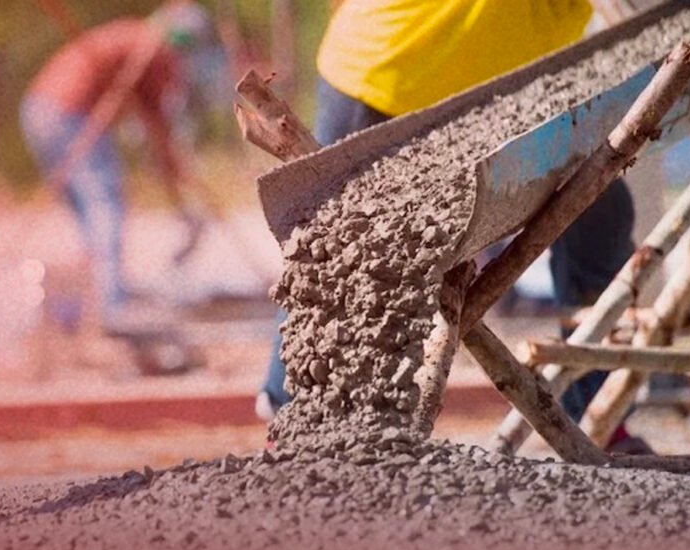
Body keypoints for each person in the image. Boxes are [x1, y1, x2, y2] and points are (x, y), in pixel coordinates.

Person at [257, 0, 648, 453]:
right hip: (390, 70)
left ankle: (602, 417)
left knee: (598, 210)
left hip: (506, 90)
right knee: (344, 253)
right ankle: (296, 429)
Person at [20, 1, 215, 334]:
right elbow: (159, 129)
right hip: (67, 113)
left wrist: (178, 194)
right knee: (105, 203)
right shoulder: (153, 50)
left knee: (90, 218)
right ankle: (113, 306)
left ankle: (95, 300)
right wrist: (182, 201)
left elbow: (155, 133)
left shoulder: (133, 41)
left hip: (37, 111)